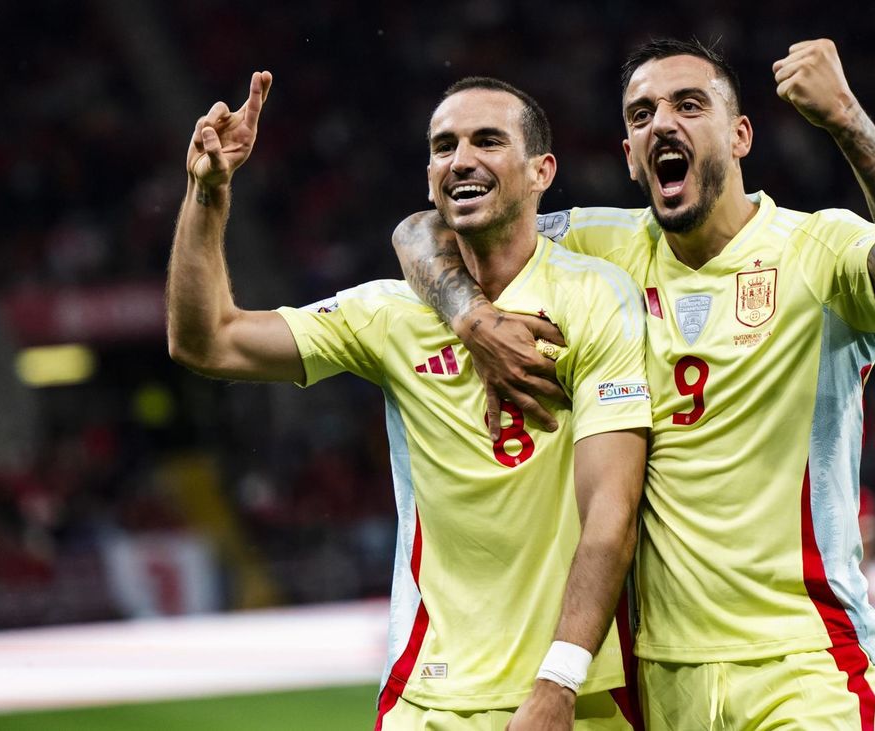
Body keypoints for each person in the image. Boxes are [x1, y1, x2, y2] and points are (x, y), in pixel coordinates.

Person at [392, 38, 875, 730]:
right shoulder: (601, 248)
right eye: (641, 114)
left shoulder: (818, 249)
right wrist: (473, 318)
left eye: (688, 105)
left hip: (805, 656)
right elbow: (425, 228)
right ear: (630, 155)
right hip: (663, 673)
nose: (661, 122)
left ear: (740, 135)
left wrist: (845, 116)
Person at [166, 71, 653, 730]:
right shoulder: (389, 313)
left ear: (542, 171)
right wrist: (207, 193)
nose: (462, 159)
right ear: (429, 180)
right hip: (429, 696)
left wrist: (558, 680)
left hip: (576, 695)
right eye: (444, 146)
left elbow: (611, 512)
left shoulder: (595, 297)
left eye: (487, 140)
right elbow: (206, 341)